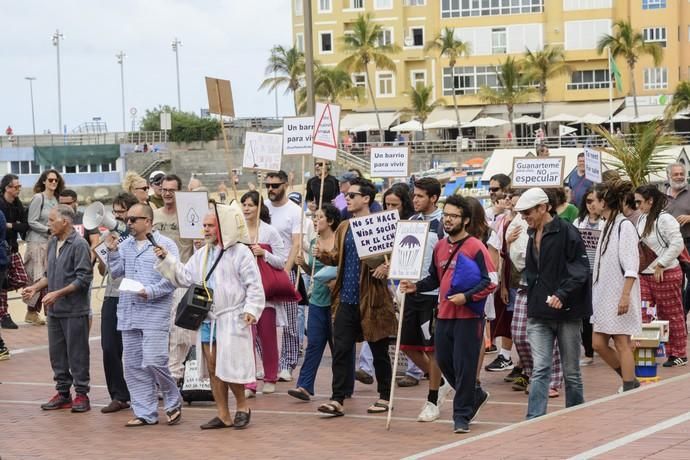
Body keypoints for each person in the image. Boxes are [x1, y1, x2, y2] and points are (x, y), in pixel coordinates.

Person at [155, 209, 264, 430]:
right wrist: (166, 258)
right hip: (208, 318)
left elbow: (254, 284)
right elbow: (185, 276)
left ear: (222, 227)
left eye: (210, 225)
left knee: (230, 365)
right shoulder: (202, 253)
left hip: (233, 317)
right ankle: (223, 414)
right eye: (204, 225)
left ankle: (242, 407)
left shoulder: (240, 252)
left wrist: (251, 309)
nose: (205, 229)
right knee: (213, 367)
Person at [401, 195, 497, 433]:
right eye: (446, 215)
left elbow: (491, 280)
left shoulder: (476, 246)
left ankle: (461, 416)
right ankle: (475, 395)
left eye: (454, 216)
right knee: (443, 360)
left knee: (465, 366)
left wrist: (467, 297)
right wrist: (417, 286)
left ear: (465, 220)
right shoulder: (440, 246)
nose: (448, 220)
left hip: (469, 317)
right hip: (443, 314)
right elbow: (436, 277)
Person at [315, 177, 396, 417]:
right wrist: (323, 255)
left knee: (379, 349)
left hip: (372, 299)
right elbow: (337, 256)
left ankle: (385, 396)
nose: (346, 199)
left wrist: (387, 267)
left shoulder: (380, 224)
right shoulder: (344, 226)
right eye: (346, 196)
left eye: (351, 195)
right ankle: (337, 398)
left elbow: (397, 257)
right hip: (345, 298)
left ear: (366, 199)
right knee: (340, 349)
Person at [514, 188, 590, 419]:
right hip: (539, 311)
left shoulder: (567, 231)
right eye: (522, 213)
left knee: (571, 371)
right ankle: (534, 417)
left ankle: (575, 413)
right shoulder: (529, 233)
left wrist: (562, 294)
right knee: (540, 368)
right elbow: (532, 270)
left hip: (567, 311)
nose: (524, 217)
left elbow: (580, 270)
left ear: (543, 207)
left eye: (527, 212)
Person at [106, 203, 182, 427]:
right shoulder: (125, 245)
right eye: (127, 219)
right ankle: (145, 412)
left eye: (133, 219)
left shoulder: (166, 245)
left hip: (155, 311)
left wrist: (149, 291)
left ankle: (172, 399)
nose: (128, 223)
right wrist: (111, 251)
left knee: (154, 360)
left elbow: (172, 279)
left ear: (147, 222)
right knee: (132, 365)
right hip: (129, 311)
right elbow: (116, 273)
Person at [22, 205, 93, 413]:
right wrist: (34, 288)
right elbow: (48, 274)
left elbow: (83, 279)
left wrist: (57, 293)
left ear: (66, 222)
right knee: (57, 355)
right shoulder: (53, 242)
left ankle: (82, 394)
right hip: (54, 311)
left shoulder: (79, 245)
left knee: (78, 354)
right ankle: (63, 393)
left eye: (52, 220)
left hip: (74, 310)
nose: (48, 224)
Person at [401, 177, 453, 422]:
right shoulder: (411, 221)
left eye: (420, 196)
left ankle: (432, 400)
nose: (415, 200)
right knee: (408, 346)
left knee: (432, 349)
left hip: (433, 295)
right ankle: (441, 381)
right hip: (411, 292)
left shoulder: (443, 223)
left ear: (433, 198)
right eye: (414, 196)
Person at [590, 180, 641, 392]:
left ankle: (629, 385)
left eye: (595, 200)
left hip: (619, 291)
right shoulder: (607, 224)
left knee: (622, 341)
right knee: (598, 343)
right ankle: (630, 380)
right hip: (604, 294)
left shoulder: (624, 225)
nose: (591, 204)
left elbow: (631, 264)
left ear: (605, 202)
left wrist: (625, 296)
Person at [289, 204, 341, 401]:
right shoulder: (313, 242)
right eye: (314, 217)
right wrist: (305, 264)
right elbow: (314, 271)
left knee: (339, 346)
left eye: (320, 217)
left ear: (331, 221)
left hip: (337, 301)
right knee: (314, 343)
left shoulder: (340, 240)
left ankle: (344, 386)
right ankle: (304, 385)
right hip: (318, 300)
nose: (315, 220)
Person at [635, 185, 688, 367]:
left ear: (650, 201)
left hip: (667, 274)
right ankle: (646, 354)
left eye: (639, 201)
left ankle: (678, 353)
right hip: (645, 275)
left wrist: (661, 264)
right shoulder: (641, 218)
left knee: (671, 314)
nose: (637, 205)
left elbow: (677, 244)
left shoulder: (666, 219)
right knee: (644, 314)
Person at [241, 191, 286, 396]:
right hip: (243, 294)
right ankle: (249, 382)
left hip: (266, 294)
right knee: (246, 340)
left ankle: (270, 376)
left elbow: (282, 261)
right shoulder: (238, 232)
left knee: (268, 338)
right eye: (244, 204)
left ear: (259, 208)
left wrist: (264, 253)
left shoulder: (270, 232)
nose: (247, 208)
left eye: (250, 205)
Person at [264, 170, 307, 382]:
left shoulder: (295, 211)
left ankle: (287, 364)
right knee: (261, 319)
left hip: (284, 271)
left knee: (290, 321)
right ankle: (267, 363)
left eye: (275, 185)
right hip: (262, 271)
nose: (271, 189)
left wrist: (286, 270)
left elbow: (296, 243)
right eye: (268, 185)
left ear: (286, 185)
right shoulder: (262, 207)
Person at [153, 174, 195, 384]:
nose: (168, 193)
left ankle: (175, 375)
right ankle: (160, 376)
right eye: (164, 189)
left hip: (180, 279)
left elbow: (198, 247)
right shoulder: (153, 215)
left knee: (180, 333)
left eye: (172, 190)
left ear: (179, 192)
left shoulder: (188, 217)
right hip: (157, 280)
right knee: (160, 332)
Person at [99, 192, 138, 414]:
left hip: (133, 295)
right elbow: (103, 270)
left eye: (121, 212)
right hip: (112, 295)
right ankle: (118, 395)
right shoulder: (111, 235)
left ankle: (142, 390)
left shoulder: (138, 238)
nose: (116, 216)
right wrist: (105, 251)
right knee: (109, 347)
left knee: (134, 348)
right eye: (114, 212)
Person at [24, 169, 64, 325]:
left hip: (50, 243)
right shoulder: (38, 198)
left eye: (56, 180)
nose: (53, 182)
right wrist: (48, 230)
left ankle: (46, 311)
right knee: (38, 277)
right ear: (43, 181)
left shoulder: (56, 200)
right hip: (36, 243)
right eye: (50, 180)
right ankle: (31, 312)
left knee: (50, 276)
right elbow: (31, 221)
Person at [573, 187, 605, 366]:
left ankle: (602, 344)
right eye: (588, 201)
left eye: (595, 200)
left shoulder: (607, 222)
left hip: (601, 274)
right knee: (585, 314)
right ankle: (589, 352)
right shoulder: (578, 222)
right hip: (583, 273)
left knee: (600, 311)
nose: (592, 205)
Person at [0, 174, 29, 330]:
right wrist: (14, 225)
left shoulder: (18, 205)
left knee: (21, 278)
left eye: (19, 186)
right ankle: (4, 316)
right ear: (7, 188)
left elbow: (25, 226)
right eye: (16, 187)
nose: (19, 189)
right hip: (1, 250)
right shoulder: (0, 204)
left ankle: (2, 287)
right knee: (2, 282)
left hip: (13, 248)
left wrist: (10, 225)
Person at [664, 162, 690, 316]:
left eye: (682, 174)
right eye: (676, 174)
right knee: (675, 283)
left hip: (689, 241)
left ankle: (684, 309)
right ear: (668, 176)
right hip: (670, 247)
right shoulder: (661, 196)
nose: (679, 177)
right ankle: (678, 317)